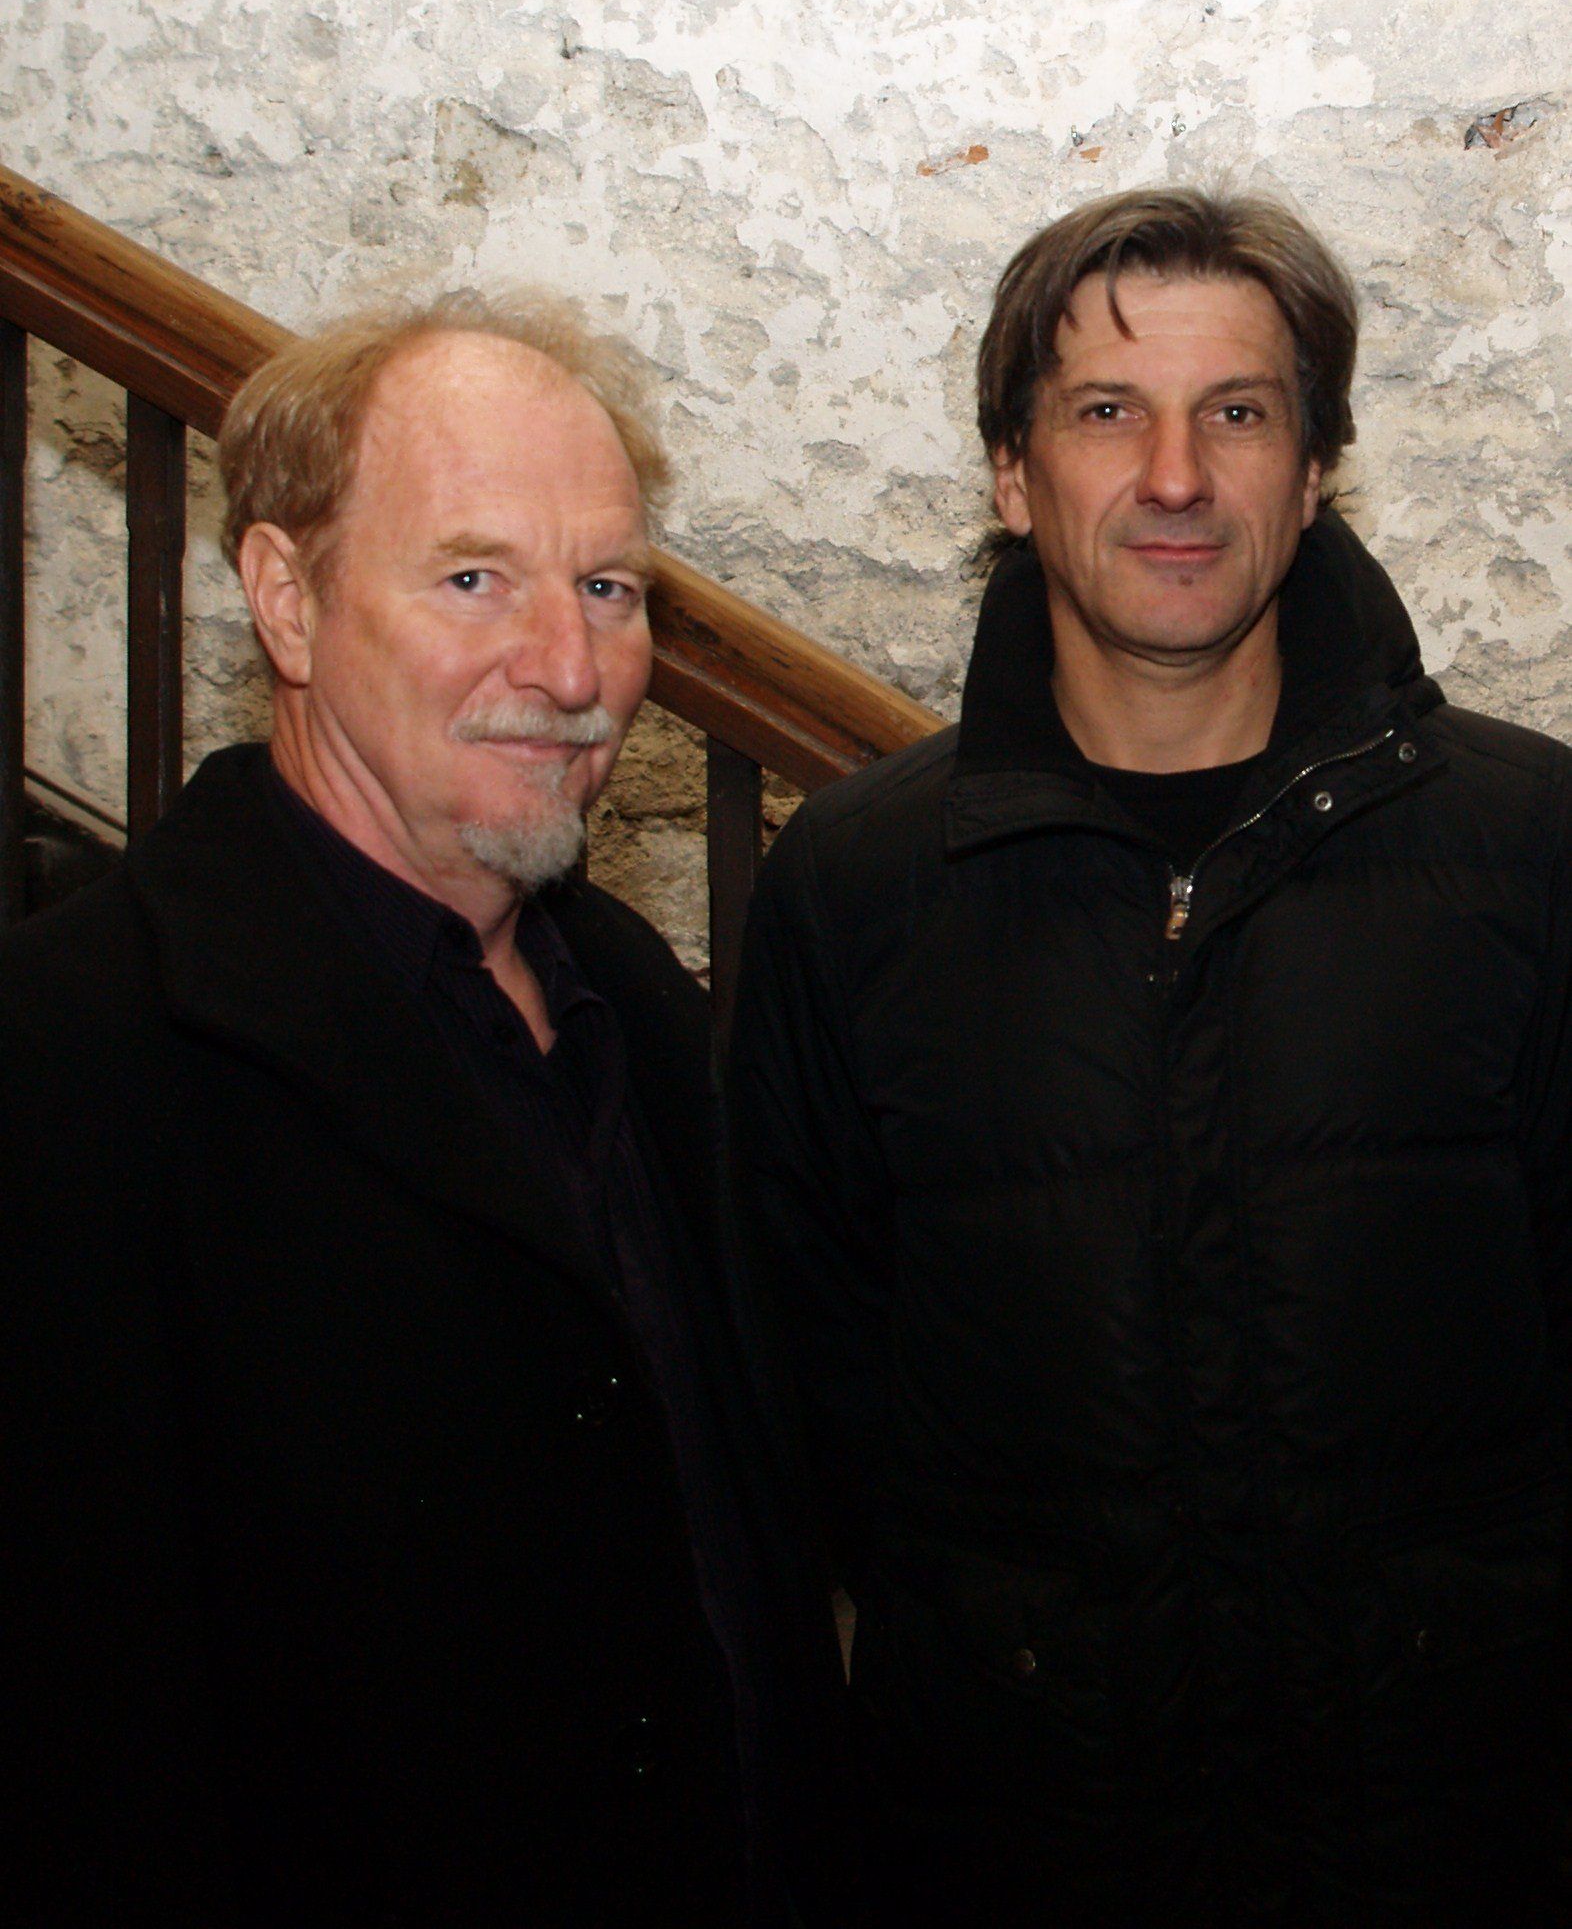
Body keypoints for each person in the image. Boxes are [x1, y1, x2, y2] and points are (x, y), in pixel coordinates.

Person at [728, 189, 1572, 1925]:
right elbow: (807, 1369)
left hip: (1459, 1823)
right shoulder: (858, 885)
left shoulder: (1530, 849)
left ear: (1314, 471)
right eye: (1107, 410)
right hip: (1014, 1836)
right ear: (1011, 473)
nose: (1175, 476)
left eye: (1236, 413)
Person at [3, 295, 850, 1927]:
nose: (570, 668)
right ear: (288, 600)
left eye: (607, 589)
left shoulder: (639, 1013)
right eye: (474, 579)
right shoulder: (72, 1064)